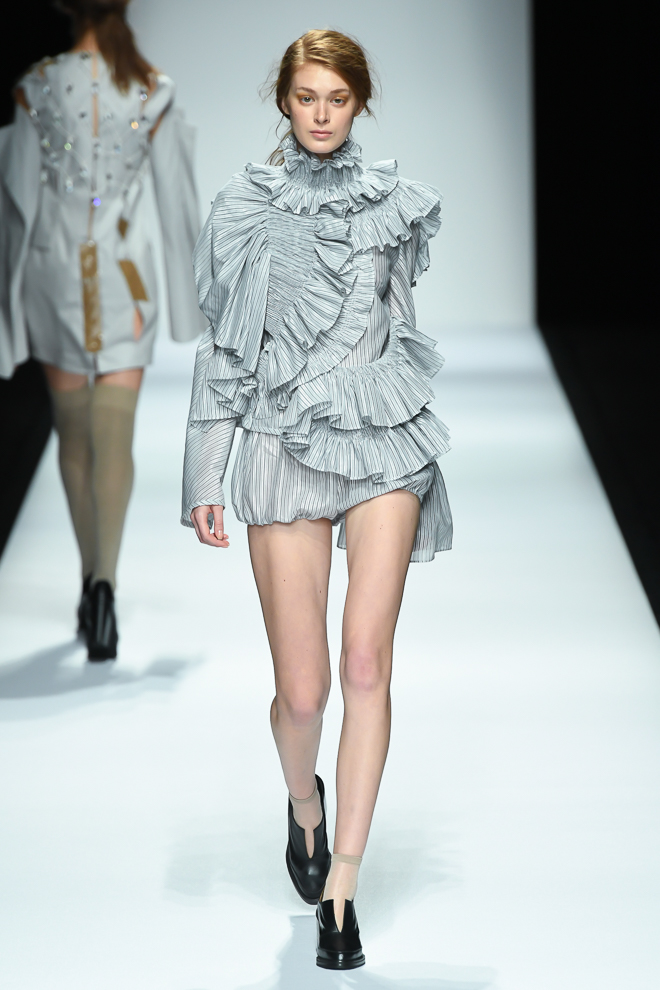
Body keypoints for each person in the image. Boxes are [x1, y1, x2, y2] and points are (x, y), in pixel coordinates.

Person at [182, 29, 452, 970]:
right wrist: (204, 471)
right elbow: (226, 345)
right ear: (285, 102)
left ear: (359, 101)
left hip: (378, 439)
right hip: (280, 441)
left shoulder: (392, 202)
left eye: (338, 97)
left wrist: (401, 410)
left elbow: (399, 324)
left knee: (367, 663)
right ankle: (305, 804)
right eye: (307, 97)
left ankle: (342, 887)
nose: (323, 114)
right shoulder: (246, 207)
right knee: (303, 694)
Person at [0, 0, 205, 660]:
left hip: (54, 275)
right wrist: (195, 302)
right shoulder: (149, 87)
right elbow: (176, 199)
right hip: (125, 278)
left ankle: (89, 578)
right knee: (114, 434)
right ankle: (105, 588)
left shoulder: (37, 86)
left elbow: (16, 202)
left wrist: (8, 305)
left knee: (74, 433)